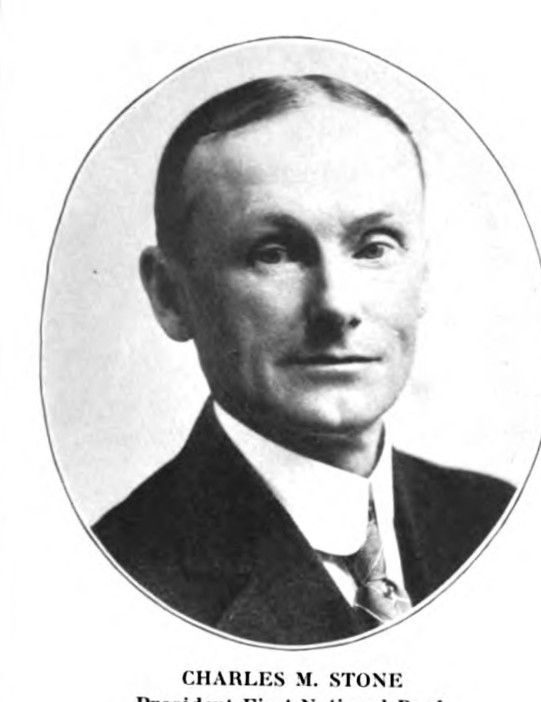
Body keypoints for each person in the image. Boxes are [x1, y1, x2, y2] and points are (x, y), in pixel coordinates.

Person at [93, 74, 515, 645]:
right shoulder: (113, 580)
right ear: (170, 296)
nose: (336, 306)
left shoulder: (496, 520)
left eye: (374, 247)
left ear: (422, 276)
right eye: (273, 253)